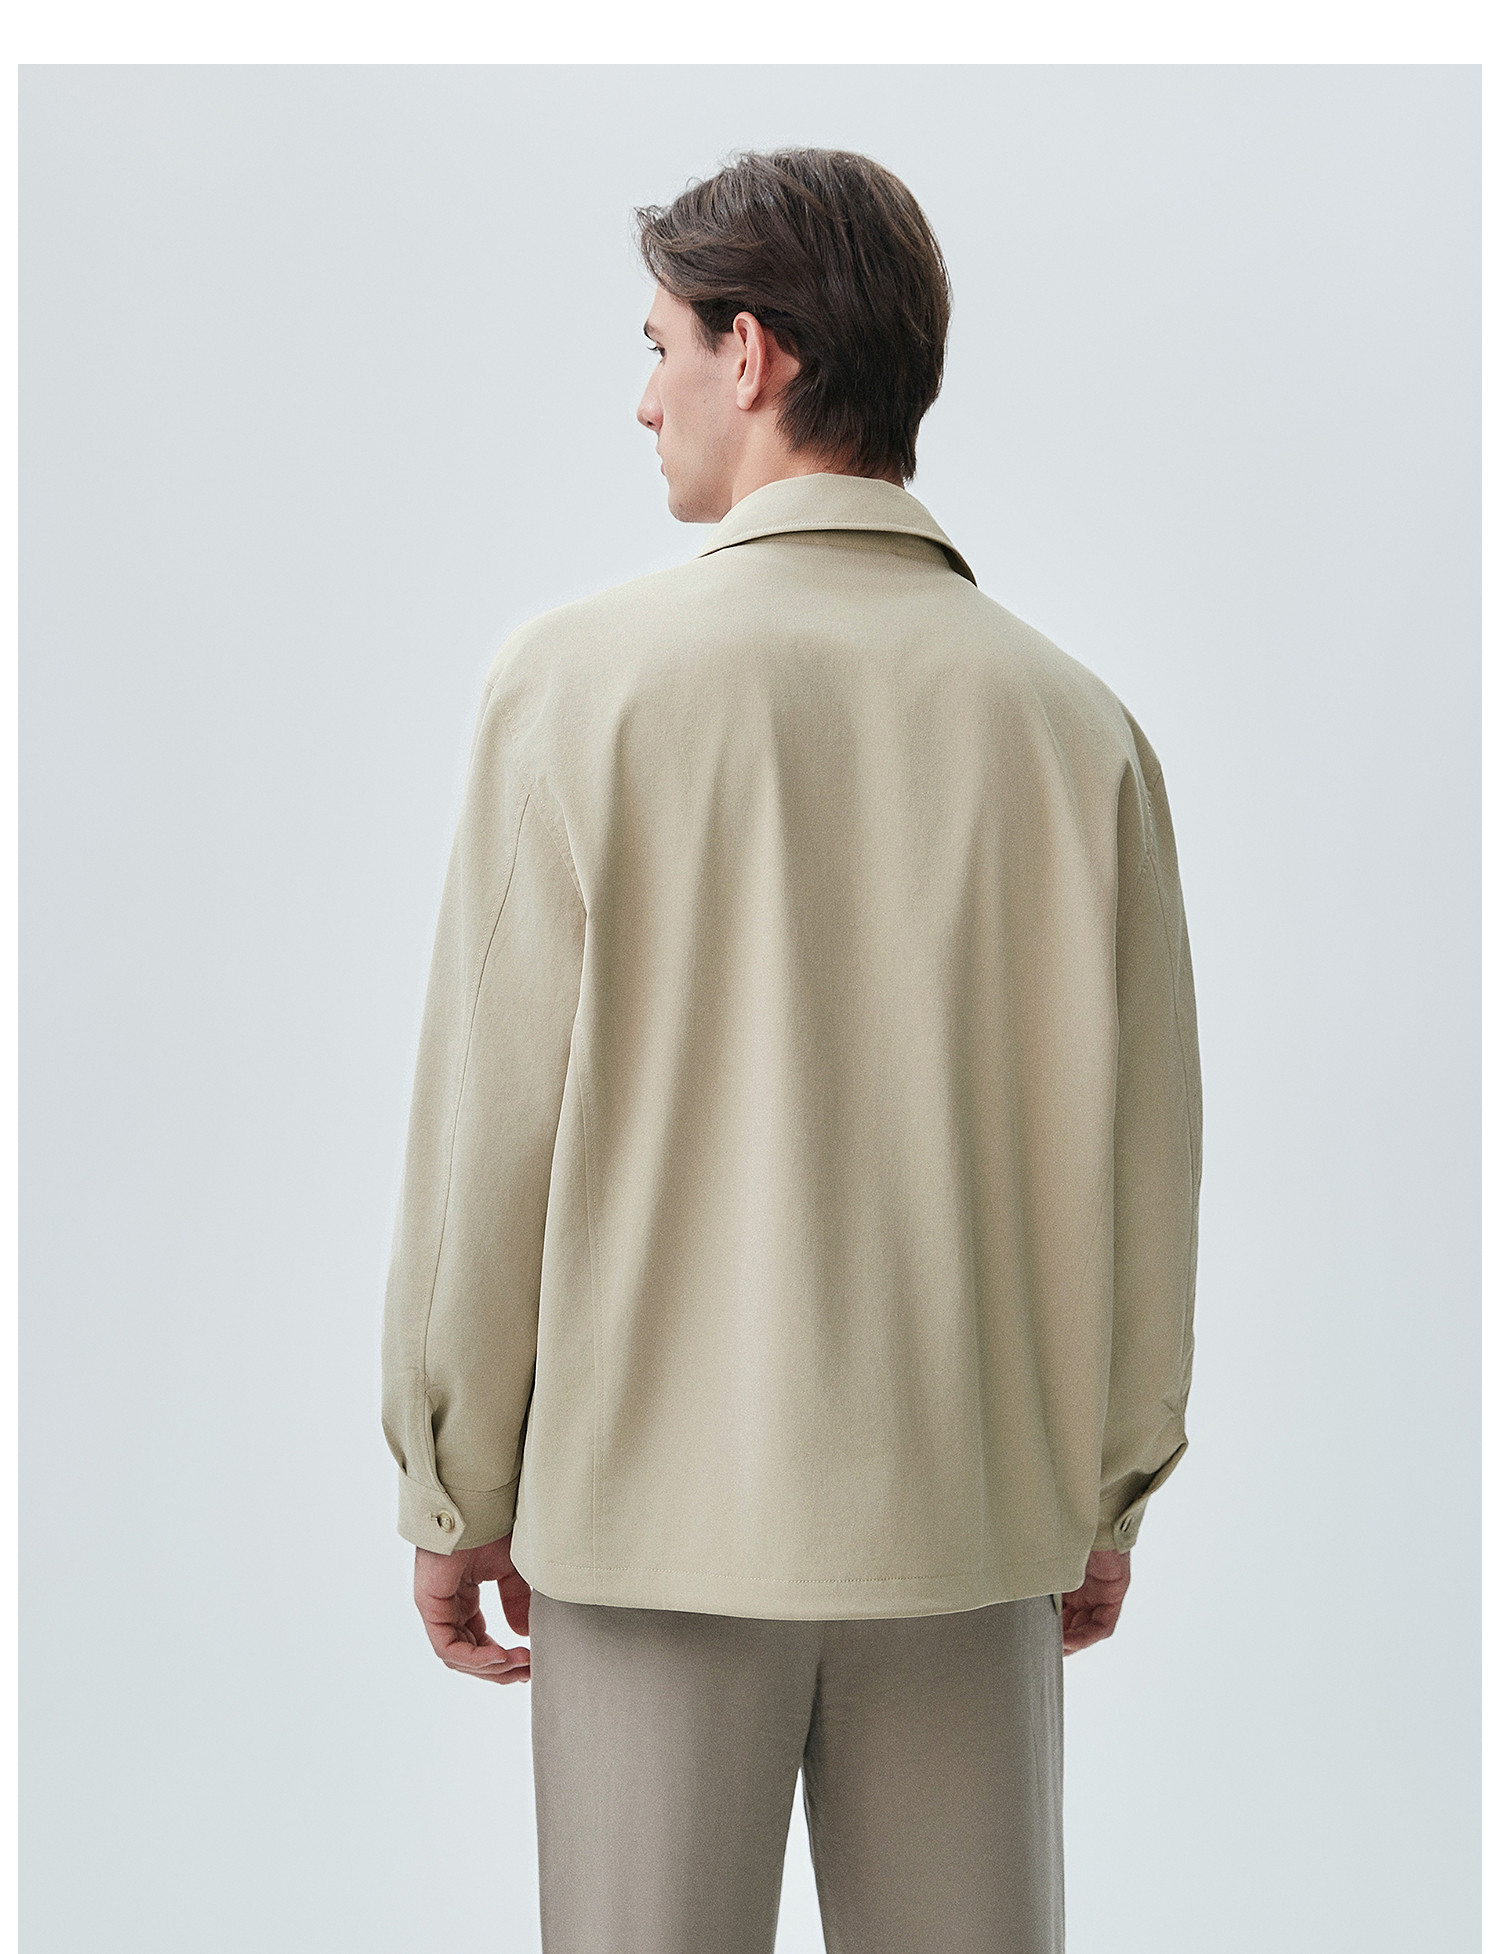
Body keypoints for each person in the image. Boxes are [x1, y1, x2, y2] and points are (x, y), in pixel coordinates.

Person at [380, 146, 1202, 1954]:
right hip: (971, 1521)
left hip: (650, 1531)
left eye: (660, 344)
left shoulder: (572, 688)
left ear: (750, 354)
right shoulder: (1077, 730)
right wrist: (1105, 1491)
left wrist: (455, 1482)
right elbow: (1144, 1167)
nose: (645, 394)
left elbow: (488, 1140)